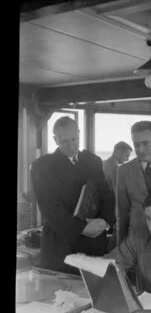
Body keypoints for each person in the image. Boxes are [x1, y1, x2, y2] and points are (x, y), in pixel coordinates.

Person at [30, 116, 115, 274]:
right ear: (56, 140)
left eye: (74, 139)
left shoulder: (93, 161)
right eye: (65, 141)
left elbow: (106, 196)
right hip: (61, 245)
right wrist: (81, 228)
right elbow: (49, 209)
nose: (71, 145)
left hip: (93, 243)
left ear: (79, 133)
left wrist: (105, 222)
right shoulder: (42, 166)